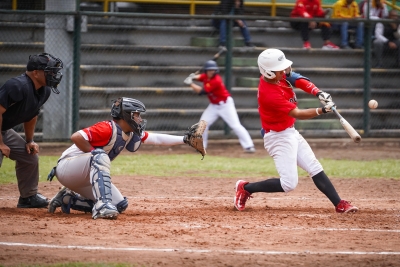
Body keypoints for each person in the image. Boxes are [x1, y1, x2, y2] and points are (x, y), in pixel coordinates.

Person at [233, 48, 358, 213]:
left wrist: (317, 92)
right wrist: (322, 110)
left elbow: (297, 78)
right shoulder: (270, 94)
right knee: (288, 184)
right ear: (269, 73)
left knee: (314, 167)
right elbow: (297, 113)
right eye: (280, 70)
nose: (284, 71)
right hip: (277, 137)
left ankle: (339, 204)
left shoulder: (277, 76)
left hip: (289, 131)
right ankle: (246, 188)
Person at [47, 97, 204, 220]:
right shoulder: (107, 128)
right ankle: (102, 207)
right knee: (100, 155)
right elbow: (76, 137)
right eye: (136, 115)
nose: (140, 119)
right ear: (127, 115)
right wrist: (95, 153)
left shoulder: (129, 132)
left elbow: (156, 139)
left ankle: (68, 199)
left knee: (119, 204)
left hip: (84, 175)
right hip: (67, 168)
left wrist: (185, 139)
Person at [0, 53, 63, 209]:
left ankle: (28, 197)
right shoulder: (17, 86)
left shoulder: (44, 90)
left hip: (4, 130)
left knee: (29, 157)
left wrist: (30, 141)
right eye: (49, 71)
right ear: (36, 73)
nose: (53, 75)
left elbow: (31, 115)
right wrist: (0, 143)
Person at [183, 60, 255, 153]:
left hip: (225, 105)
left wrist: (190, 83)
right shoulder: (206, 76)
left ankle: (249, 146)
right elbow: (200, 77)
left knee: (235, 125)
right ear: (206, 71)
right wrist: (193, 77)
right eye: (209, 70)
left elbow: (202, 92)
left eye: (213, 70)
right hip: (214, 105)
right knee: (202, 125)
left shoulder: (216, 80)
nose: (212, 72)